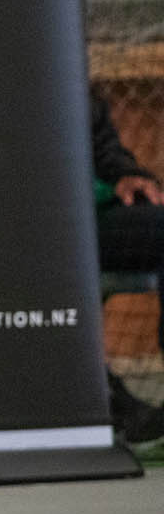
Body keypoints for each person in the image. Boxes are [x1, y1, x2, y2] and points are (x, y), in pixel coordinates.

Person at [89, 87, 164, 444]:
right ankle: (99, 395)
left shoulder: (64, 70)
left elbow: (105, 149)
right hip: (24, 224)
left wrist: (125, 173)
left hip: (94, 219)